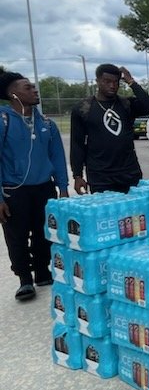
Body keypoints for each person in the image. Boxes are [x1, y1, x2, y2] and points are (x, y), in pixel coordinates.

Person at [0, 71, 69, 301]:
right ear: (13, 94)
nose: (34, 90)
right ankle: (24, 280)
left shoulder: (46, 124)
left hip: (44, 188)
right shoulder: (4, 120)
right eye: (27, 87)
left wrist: (63, 187)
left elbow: (58, 156)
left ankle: (42, 271)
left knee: (44, 232)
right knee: (16, 235)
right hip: (14, 190)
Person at [70, 64, 149, 194]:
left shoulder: (126, 104)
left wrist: (131, 82)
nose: (112, 85)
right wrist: (77, 175)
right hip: (100, 176)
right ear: (98, 81)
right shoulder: (83, 108)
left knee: (134, 214)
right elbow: (77, 144)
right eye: (107, 81)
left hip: (129, 173)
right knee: (106, 213)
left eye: (116, 82)